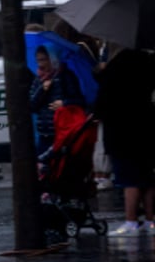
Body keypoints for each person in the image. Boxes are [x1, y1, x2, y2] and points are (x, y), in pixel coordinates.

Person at [95, 46, 155, 237]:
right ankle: (150, 220)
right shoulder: (147, 65)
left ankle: (130, 221)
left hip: (121, 134)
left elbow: (100, 107)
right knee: (147, 178)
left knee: (130, 179)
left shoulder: (114, 71)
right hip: (146, 129)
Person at [29, 44, 86, 156]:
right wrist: (42, 89)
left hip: (62, 132)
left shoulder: (66, 76)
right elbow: (31, 106)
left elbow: (80, 101)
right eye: (38, 60)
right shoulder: (38, 79)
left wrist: (64, 104)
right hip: (44, 134)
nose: (40, 64)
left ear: (52, 58)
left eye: (43, 60)